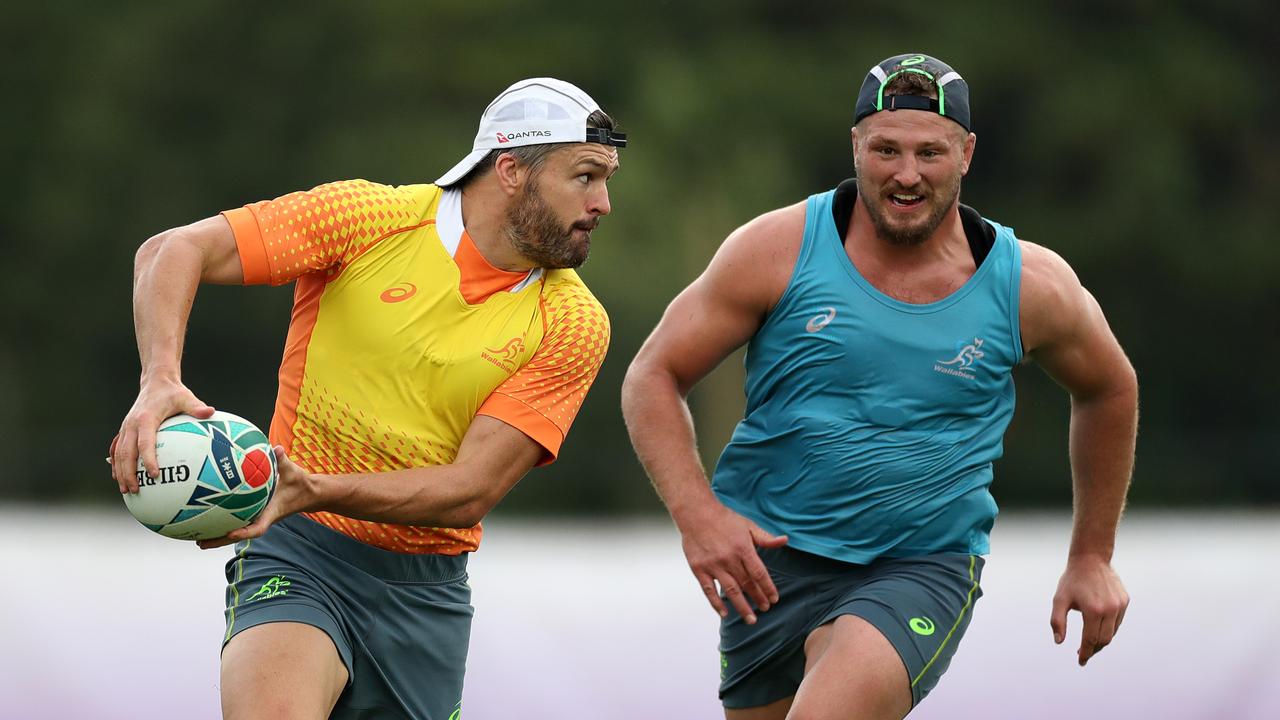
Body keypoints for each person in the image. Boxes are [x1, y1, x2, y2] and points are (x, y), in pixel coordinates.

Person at [621, 53, 1138, 720]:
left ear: (967, 155)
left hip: (920, 565)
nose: (907, 173)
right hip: (768, 568)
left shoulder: (1027, 286)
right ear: (856, 146)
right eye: (886, 149)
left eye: (930, 152)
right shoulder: (775, 251)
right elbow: (653, 375)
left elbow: (1109, 388)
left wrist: (1092, 555)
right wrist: (698, 518)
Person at [109, 77, 624, 720]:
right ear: (512, 169)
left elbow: (470, 489)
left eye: (607, 180)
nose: (603, 202)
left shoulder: (575, 322)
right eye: (585, 176)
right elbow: (172, 249)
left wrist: (312, 486)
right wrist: (160, 379)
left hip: (427, 596)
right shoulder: (368, 218)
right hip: (300, 550)